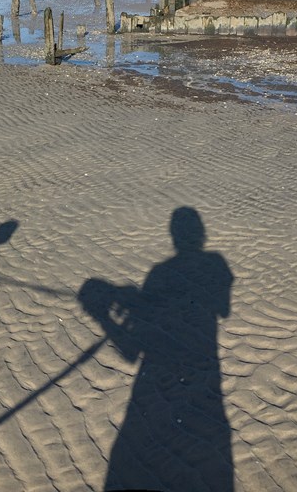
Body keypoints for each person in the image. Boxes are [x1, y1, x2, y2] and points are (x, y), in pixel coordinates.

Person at [79, 207, 234, 491]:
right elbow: (223, 310)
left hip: (158, 378)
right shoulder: (216, 263)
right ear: (201, 234)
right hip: (205, 372)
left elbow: (131, 350)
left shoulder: (161, 272)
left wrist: (105, 313)